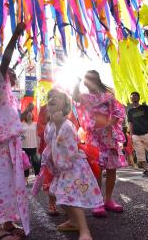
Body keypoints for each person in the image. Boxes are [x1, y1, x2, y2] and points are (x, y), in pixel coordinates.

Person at [0, 22, 29, 240]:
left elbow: (11, 121)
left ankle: (8, 223)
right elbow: (6, 60)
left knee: (11, 183)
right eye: (10, 72)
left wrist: (25, 113)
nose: (12, 73)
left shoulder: (11, 96)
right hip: (0, 145)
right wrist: (14, 36)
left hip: (11, 145)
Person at [44, 90, 103, 240]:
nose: (52, 99)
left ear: (65, 105)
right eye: (50, 98)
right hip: (60, 167)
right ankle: (73, 221)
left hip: (72, 166)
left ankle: (85, 231)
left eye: (56, 97)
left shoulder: (66, 124)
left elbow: (70, 149)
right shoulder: (50, 124)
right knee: (56, 194)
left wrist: (57, 126)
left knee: (71, 196)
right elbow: (48, 142)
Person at [73, 70, 126, 217]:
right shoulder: (85, 97)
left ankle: (108, 200)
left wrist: (111, 123)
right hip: (93, 136)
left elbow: (117, 111)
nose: (87, 85)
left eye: (89, 81)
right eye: (85, 82)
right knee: (96, 167)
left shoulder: (108, 96)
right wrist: (76, 82)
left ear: (96, 80)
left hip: (108, 135)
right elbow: (74, 97)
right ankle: (97, 202)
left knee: (111, 168)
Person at [37, 89, 60, 216]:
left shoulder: (64, 107)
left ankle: (66, 201)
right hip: (50, 147)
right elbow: (40, 128)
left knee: (64, 174)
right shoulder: (43, 109)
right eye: (52, 97)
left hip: (63, 147)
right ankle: (52, 203)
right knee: (50, 175)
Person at [22, 110, 40, 184]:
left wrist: (38, 147)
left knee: (36, 163)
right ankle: (25, 180)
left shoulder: (36, 124)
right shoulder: (21, 124)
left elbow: (38, 136)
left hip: (34, 147)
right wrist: (22, 136)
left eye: (30, 114)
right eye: (27, 114)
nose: (29, 115)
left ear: (32, 115)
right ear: (25, 116)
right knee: (25, 164)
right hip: (24, 147)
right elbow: (19, 136)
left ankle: (37, 180)